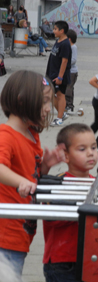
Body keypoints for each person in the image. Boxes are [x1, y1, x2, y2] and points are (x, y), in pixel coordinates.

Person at [0, 70, 65, 280]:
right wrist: (21, 182)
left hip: (21, 233)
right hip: (4, 234)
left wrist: (44, 167)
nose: (49, 108)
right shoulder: (6, 135)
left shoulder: (31, 134)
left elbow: (29, 174)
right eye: (44, 101)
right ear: (21, 100)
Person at [43, 123, 98, 282]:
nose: (90, 153)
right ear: (65, 155)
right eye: (82, 149)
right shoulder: (57, 183)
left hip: (91, 258)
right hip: (62, 262)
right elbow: (51, 218)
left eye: (94, 147)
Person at [46, 20, 72, 126]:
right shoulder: (58, 41)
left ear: (62, 31)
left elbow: (64, 61)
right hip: (52, 73)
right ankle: (62, 113)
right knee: (50, 93)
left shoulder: (65, 44)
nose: (53, 31)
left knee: (60, 95)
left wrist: (60, 77)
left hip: (59, 75)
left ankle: (59, 118)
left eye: (55, 29)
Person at [65, 29, 78, 112]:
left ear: (69, 39)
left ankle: (69, 105)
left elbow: (73, 59)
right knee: (69, 88)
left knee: (68, 89)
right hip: (68, 71)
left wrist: (65, 63)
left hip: (72, 72)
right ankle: (69, 105)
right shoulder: (68, 47)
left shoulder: (73, 47)